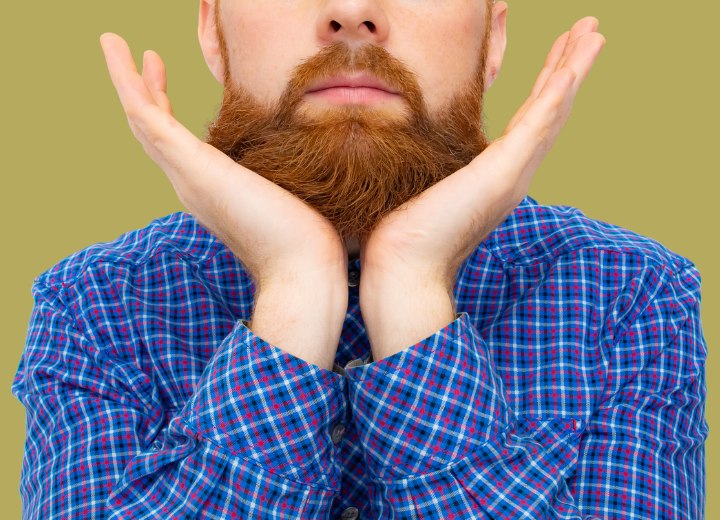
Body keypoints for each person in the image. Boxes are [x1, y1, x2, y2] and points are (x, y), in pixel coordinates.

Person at [11, 0, 708, 518]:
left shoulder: (631, 293)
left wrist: (411, 282)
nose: (350, 13)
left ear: (494, 37)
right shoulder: (96, 303)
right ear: (211, 31)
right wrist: (295, 286)